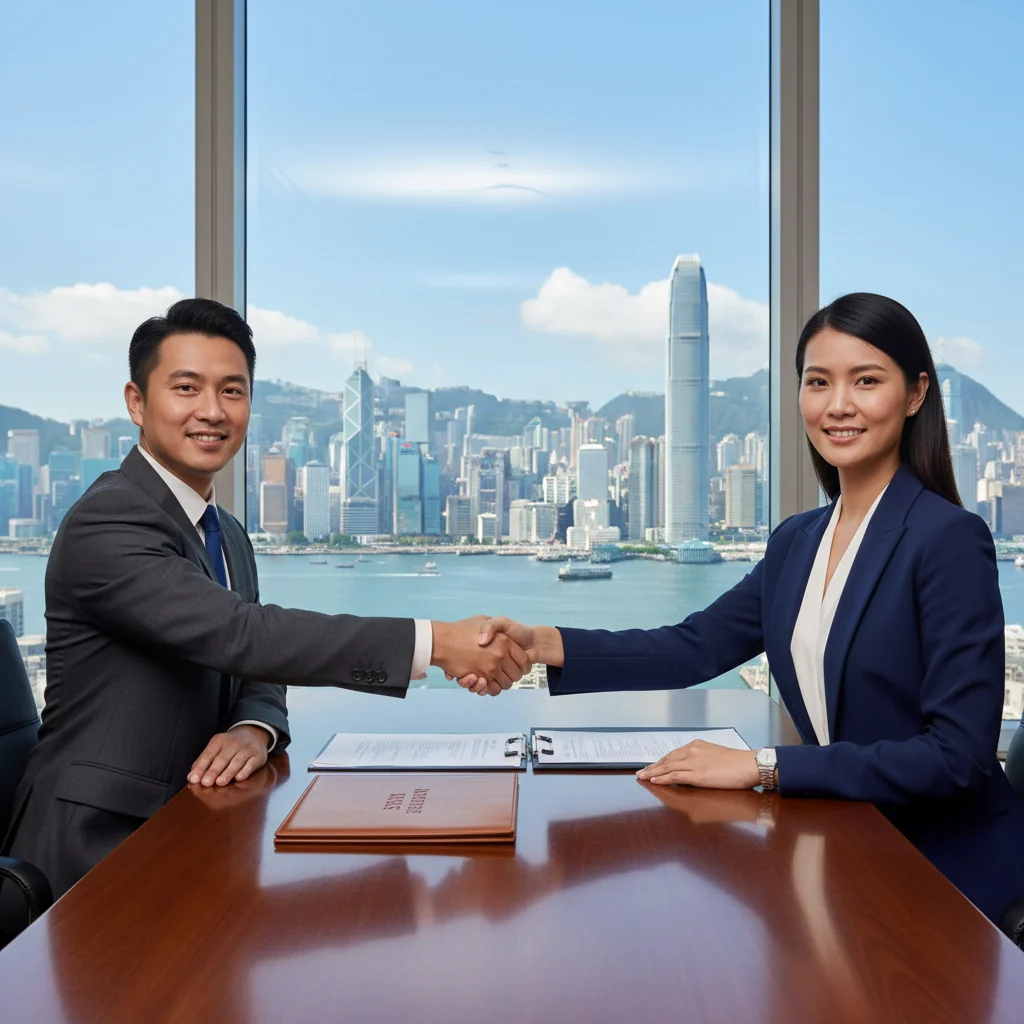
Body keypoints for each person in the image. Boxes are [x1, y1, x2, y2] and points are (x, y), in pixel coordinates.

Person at [464, 292, 1024, 926]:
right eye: (819, 382)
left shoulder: (947, 538)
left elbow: (956, 757)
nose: (838, 405)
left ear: (916, 392)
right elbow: (693, 646)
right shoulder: (798, 540)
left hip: (949, 870)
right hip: (852, 844)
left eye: (866, 381)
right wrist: (540, 643)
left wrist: (762, 766)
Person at [1, 297, 528, 903]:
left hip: (196, 827)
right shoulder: (109, 520)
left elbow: (258, 664)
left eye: (232, 391)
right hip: (94, 850)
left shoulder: (225, 531)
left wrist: (255, 728)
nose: (211, 411)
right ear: (136, 403)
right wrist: (438, 643)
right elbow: (242, 635)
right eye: (186, 388)